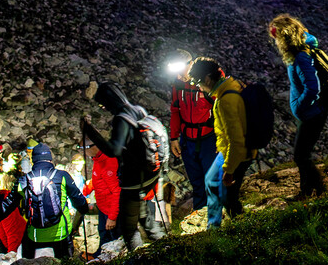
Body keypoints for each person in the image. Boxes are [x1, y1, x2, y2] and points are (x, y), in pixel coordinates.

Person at [80, 83, 162, 250]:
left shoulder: (121, 118)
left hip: (132, 180)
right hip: (148, 176)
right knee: (145, 218)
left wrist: (90, 130)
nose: (103, 108)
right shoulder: (139, 110)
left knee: (129, 228)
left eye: (103, 104)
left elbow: (113, 150)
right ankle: (167, 248)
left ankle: (137, 263)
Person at [0, 143, 89, 259]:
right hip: (61, 234)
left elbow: (7, 206)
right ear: (50, 159)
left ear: (33, 161)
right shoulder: (62, 176)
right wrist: (83, 212)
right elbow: (80, 203)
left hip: (35, 236)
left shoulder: (24, 180)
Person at [186, 57, 254, 228]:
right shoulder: (230, 87)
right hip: (230, 150)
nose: (198, 87)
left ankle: (240, 229)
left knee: (228, 198)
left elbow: (236, 140)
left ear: (208, 79)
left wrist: (229, 170)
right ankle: (215, 225)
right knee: (211, 182)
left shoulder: (225, 100)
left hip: (238, 154)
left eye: (198, 82)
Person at [268, 14, 328, 200]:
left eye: (276, 37)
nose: (276, 42)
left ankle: (313, 191)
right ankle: (312, 190)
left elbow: (312, 87)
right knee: (303, 154)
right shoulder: (302, 50)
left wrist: (300, 107)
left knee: (301, 155)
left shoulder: (301, 56)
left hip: (311, 113)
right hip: (311, 112)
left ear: (284, 36)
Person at [168, 53, 217, 214]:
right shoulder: (178, 83)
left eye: (181, 69)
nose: (179, 74)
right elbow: (175, 110)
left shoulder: (207, 79)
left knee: (211, 179)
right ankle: (200, 214)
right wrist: (174, 137)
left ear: (191, 64)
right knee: (196, 181)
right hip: (187, 139)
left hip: (208, 137)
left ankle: (216, 216)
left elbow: (221, 106)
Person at [81, 139, 121, 255]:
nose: (84, 152)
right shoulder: (97, 160)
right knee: (103, 235)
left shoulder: (109, 162)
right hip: (103, 208)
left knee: (115, 241)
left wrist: (112, 217)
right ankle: (100, 257)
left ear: (94, 147)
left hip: (111, 211)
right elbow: (98, 181)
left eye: (84, 148)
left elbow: (116, 191)